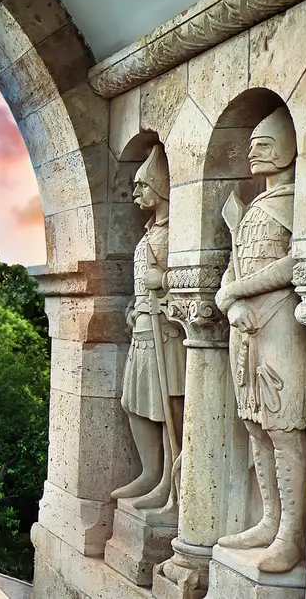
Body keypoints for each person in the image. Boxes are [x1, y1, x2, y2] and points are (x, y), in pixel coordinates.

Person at [214, 108, 306, 573]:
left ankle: (292, 534)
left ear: (292, 147)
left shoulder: (299, 200)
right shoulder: (253, 207)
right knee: (255, 425)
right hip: (245, 329)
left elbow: (296, 263)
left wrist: (236, 291)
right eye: (252, 143)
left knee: (284, 428)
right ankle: (269, 519)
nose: (254, 151)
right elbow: (232, 266)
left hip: (282, 326)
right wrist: (231, 302)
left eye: (266, 142)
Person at [110, 146, 183, 510]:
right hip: (143, 325)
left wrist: (164, 280)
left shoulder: (179, 230)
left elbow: (198, 277)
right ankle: (150, 472)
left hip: (165, 330)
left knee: (167, 408)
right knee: (134, 402)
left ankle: (168, 481)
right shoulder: (151, 230)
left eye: (142, 185)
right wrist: (133, 308)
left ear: (161, 187)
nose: (135, 192)